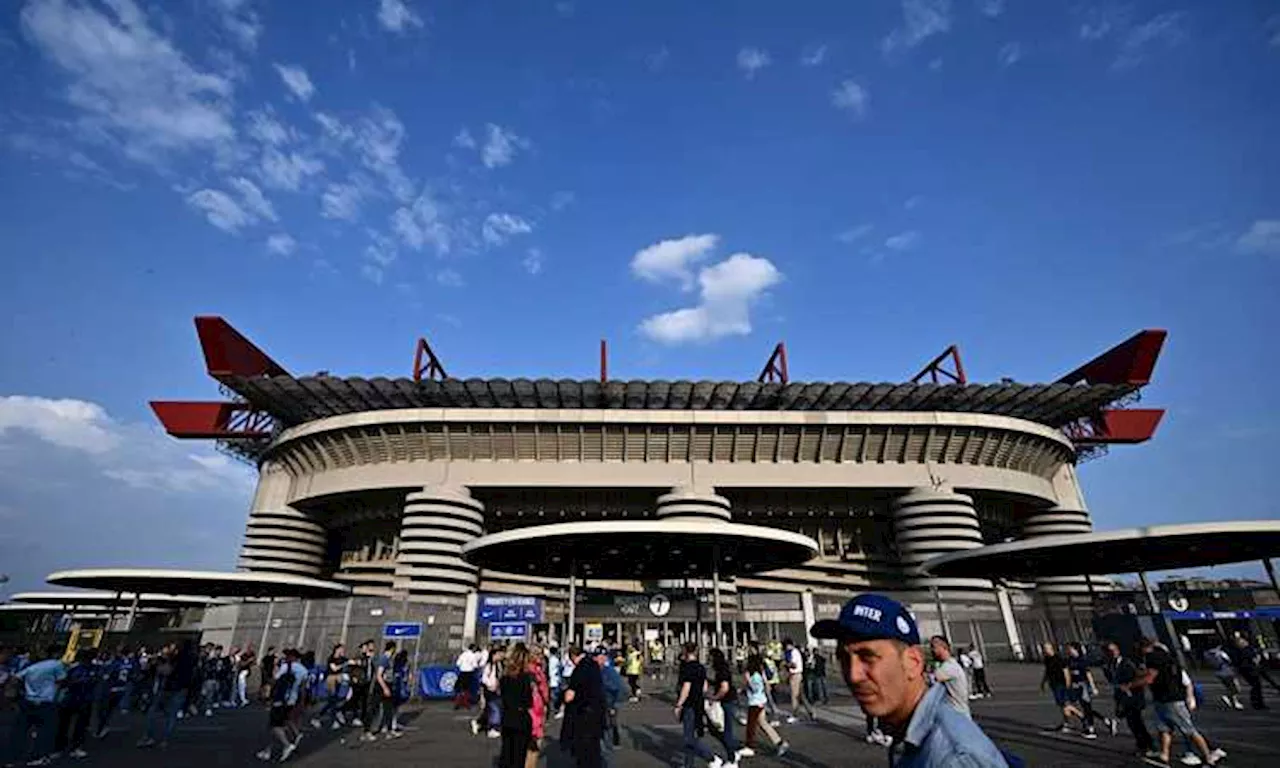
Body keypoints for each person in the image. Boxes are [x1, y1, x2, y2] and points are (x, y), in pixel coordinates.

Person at [811, 594, 1009, 767]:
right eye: (844, 658)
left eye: (867, 657)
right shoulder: (909, 732)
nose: (853, 675)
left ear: (913, 663)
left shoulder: (954, 758)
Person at [1136, 637, 1225, 767]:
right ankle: (1164, 756)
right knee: (1164, 728)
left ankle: (1208, 757)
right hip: (1168, 697)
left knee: (1188, 730)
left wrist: (1131, 684)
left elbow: (1150, 677)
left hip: (1169, 699)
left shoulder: (1152, 658)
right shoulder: (1171, 660)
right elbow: (1182, 679)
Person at [673, 642, 733, 768]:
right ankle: (688, 764)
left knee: (689, 738)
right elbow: (704, 686)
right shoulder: (701, 667)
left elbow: (686, 687)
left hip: (690, 705)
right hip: (699, 702)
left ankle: (711, 757)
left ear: (685, 652)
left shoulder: (688, 667)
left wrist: (679, 704)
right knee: (692, 735)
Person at [10, 645, 66, 766]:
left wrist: (22, 692)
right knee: (46, 731)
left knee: (22, 730)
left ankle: (16, 757)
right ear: (56, 653)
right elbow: (61, 682)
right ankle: (39, 756)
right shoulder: (56, 664)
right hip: (47, 701)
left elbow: (15, 679)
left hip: (29, 700)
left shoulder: (32, 666)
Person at [1102, 641, 1156, 759]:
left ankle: (1148, 745)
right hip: (1123, 697)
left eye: (1114, 650)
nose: (1112, 653)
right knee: (1132, 723)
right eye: (1109, 651)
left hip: (1133, 697)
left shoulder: (1127, 663)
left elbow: (1139, 678)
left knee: (1137, 722)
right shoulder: (1109, 666)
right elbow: (1114, 682)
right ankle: (1143, 745)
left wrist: (1130, 687)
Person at [560, 645, 604, 768]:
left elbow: (570, 696)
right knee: (594, 752)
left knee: (584, 753)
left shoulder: (579, 670)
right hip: (596, 713)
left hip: (583, 715)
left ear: (572, 656)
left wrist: (564, 694)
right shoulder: (593, 665)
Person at [257, 649, 302, 762]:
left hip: (281, 701)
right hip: (291, 700)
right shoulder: (301, 670)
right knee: (277, 725)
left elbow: (276, 682)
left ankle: (286, 744)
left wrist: (271, 698)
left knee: (274, 726)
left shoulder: (285, 669)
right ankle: (268, 750)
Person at [54, 648, 98, 760]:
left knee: (81, 725)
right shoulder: (72, 668)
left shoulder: (94, 668)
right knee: (64, 724)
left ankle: (75, 747)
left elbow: (94, 682)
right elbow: (63, 682)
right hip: (70, 698)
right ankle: (59, 747)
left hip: (85, 699)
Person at [742, 653, 789, 757]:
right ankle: (779, 742)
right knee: (763, 723)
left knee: (751, 725)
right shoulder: (761, 673)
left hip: (755, 702)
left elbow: (754, 688)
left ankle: (750, 746)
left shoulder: (753, 675)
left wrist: (747, 681)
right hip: (761, 700)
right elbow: (766, 686)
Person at [708, 647, 750, 764]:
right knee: (722, 729)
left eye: (710, 657)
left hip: (727, 701)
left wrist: (714, 697)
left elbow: (724, 688)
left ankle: (734, 754)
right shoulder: (721, 670)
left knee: (727, 731)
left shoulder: (722, 670)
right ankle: (735, 749)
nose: (709, 659)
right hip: (727, 700)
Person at [1063, 641, 1110, 739]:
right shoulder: (1069, 660)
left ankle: (1091, 728)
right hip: (1075, 686)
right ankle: (1105, 721)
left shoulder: (1082, 660)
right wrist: (1069, 685)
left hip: (1083, 685)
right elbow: (1069, 674)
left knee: (1087, 707)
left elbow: (1088, 674)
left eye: (1070, 648)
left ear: (1075, 649)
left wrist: (1093, 687)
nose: (1068, 650)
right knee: (1080, 707)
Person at [498, 644, 535, 768]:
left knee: (507, 753)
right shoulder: (525, 678)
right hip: (521, 719)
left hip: (507, 718)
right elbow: (528, 701)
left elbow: (503, 697)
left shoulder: (505, 677)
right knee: (519, 757)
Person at [361, 641, 398, 741]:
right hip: (381, 686)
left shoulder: (389, 659)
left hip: (387, 684)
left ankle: (390, 730)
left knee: (388, 708)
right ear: (392, 649)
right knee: (373, 707)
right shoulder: (384, 659)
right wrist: (385, 687)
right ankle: (366, 731)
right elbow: (378, 675)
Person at [928, 636, 971, 718]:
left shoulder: (949, 667)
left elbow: (927, 680)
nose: (932, 651)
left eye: (933, 647)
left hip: (957, 716)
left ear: (943, 647)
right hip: (957, 715)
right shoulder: (948, 665)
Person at [597, 649, 625, 766]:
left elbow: (619, 689)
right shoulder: (599, 671)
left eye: (598, 657)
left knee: (606, 738)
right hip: (600, 707)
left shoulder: (608, 672)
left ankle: (607, 764)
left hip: (607, 707)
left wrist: (614, 705)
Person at [780, 638, 816, 723]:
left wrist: (785, 664)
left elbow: (794, 665)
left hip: (795, 675)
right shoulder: (794, 652)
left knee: (794, 696)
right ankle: (811, 712)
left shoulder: (794, 652)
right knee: (801, 696)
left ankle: (795, 714)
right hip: (797, 675)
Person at [1039, 642, 1071, 732]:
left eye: (1046, 648)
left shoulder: (1059, 659)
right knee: (1062, 705)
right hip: (1054, 684)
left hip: (1061, 684)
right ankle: (1066, 723)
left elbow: (1066, 672)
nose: (1044, 650)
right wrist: (1043, 682)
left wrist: (1067, 684)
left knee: (1065, 705)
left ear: (1051, 649)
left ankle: (1081, 717)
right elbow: (1047, 671)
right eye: (1044, 648)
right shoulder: (1047, 659)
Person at [1229, 635, 1267, 710]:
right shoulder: (1244, 650)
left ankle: (1257, 703)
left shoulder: (1243, 650)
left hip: (1248, 670)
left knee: (1256, 686)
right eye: (1243, 641)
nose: (1246, 642)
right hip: (1249, 670)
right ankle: (1257, 704)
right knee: (1256, 686)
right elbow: (1251, 658)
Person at [1202, 643, 1242, 710]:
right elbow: (1229, 661)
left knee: (1230, 687)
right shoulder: (1221, 653)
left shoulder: (1208, 653)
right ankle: (1228, 698)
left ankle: (1234, 703)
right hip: (1228, 672)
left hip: (1219, 673)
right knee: (1236, 688)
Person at [455, 643, 480, 710]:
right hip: (469, 673)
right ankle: (466, 703)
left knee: (460, 688)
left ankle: (457, 703)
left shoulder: (463, 654)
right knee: (467, 689)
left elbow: (458, 663)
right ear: (473, 648)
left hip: (462, 672)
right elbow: (475, 665)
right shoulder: (472, 655)